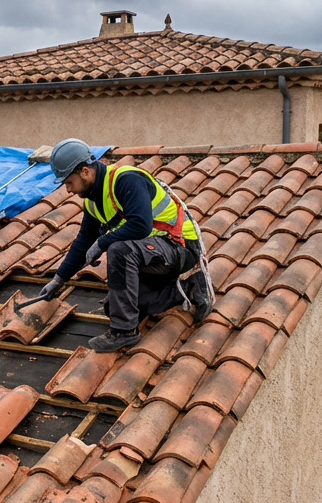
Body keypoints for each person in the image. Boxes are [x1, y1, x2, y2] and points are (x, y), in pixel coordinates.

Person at [36, 138, 211, 352]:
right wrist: (58, 279)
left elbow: (141, 225)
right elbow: (82, 243)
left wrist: (102, 242)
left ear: (84, 171)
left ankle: (124, 332)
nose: (68, 190)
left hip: (179, 246)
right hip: (153, 255)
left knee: (119, 250)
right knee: (117, 305)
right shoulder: (92, 201)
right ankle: (189, 288)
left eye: (68, 182)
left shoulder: (126, 179)